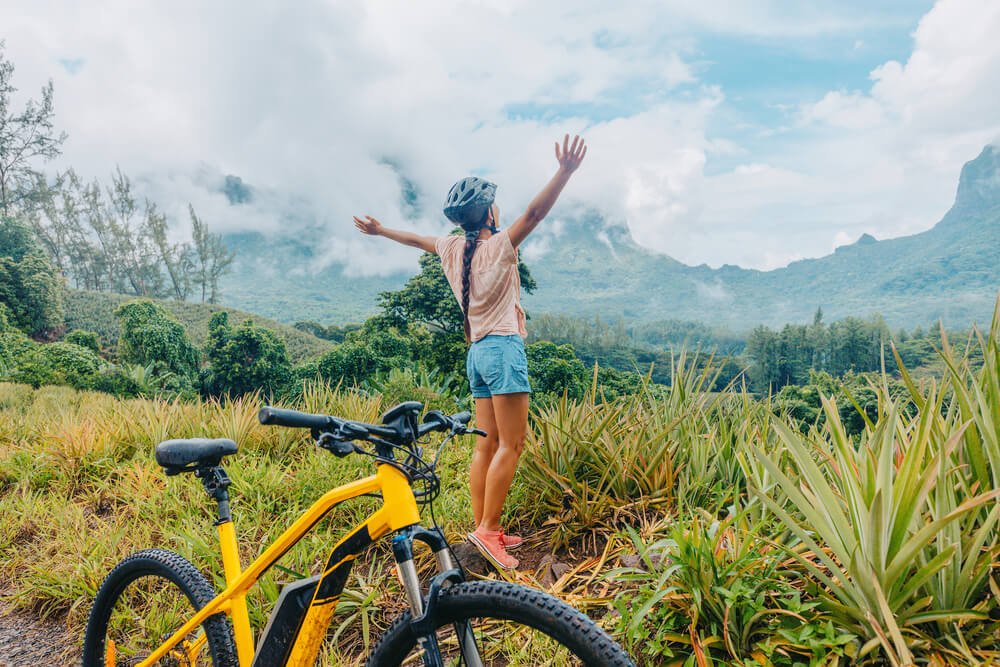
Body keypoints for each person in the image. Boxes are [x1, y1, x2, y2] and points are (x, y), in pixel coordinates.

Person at [354, 134, 587, 569]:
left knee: (487, 444)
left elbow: (417, 239)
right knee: (512, 444)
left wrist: (380, 229)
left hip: (477, 353)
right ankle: (486, 531)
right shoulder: (499, 246)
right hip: (502, 350)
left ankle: (486, 526)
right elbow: (535, 213)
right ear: (490, 213)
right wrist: (565, 171)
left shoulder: (450, 248)